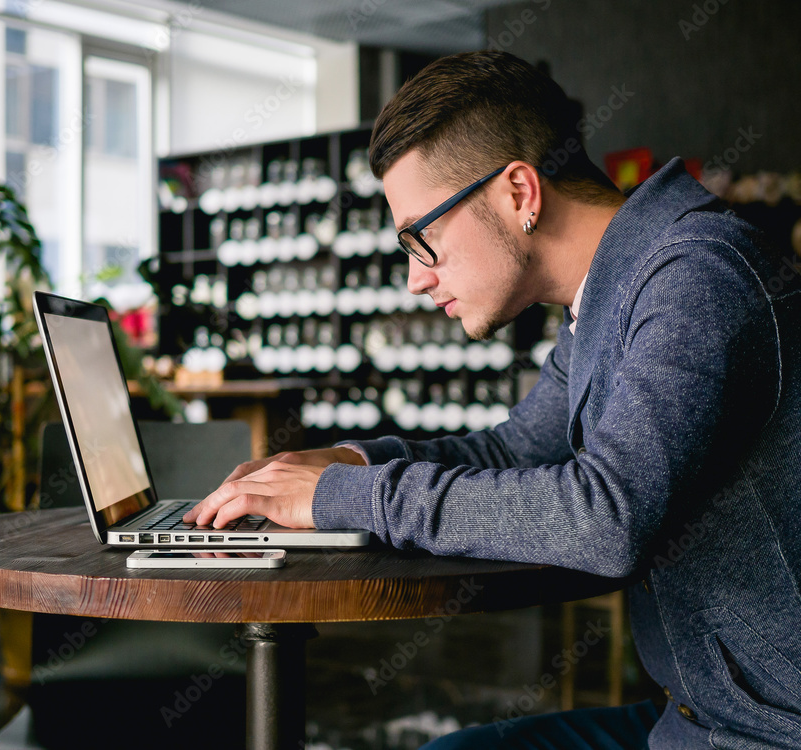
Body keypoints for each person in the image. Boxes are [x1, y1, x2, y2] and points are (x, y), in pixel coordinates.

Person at [184, 50, 801, 749]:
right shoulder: (607, 297)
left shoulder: (697, 277)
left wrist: (342, 498)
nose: (417, 280)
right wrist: (348, 461)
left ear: (519, 193)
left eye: (424, 239)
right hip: (696, 721)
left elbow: (605, 518)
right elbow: (511, 449)